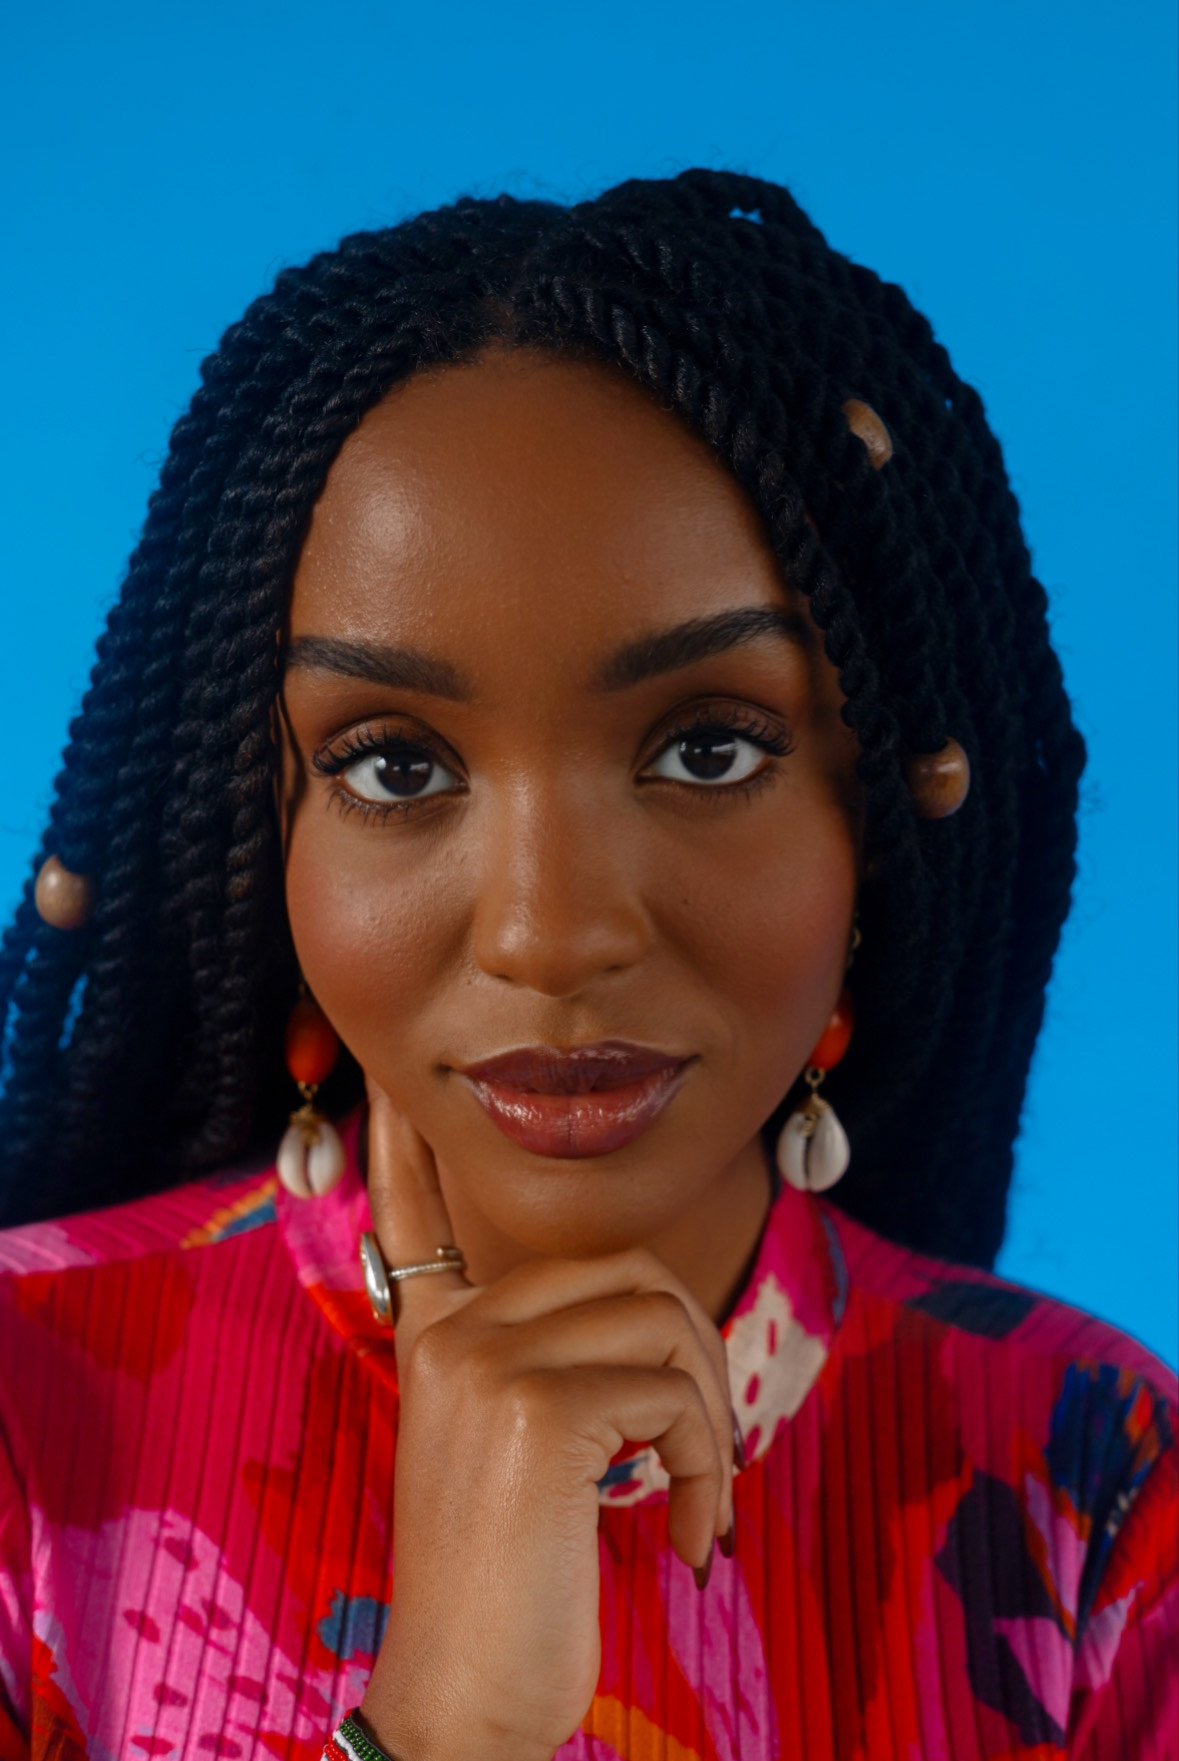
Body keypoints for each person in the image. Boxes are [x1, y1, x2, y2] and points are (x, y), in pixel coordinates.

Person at [0, 166, 1173, 1761]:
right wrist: (438, 1727)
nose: (548, 932)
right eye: (397, 765)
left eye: (707, 749)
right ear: (262, 835)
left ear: (874, 829)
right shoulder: (23, 1422)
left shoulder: (1099, 1485)